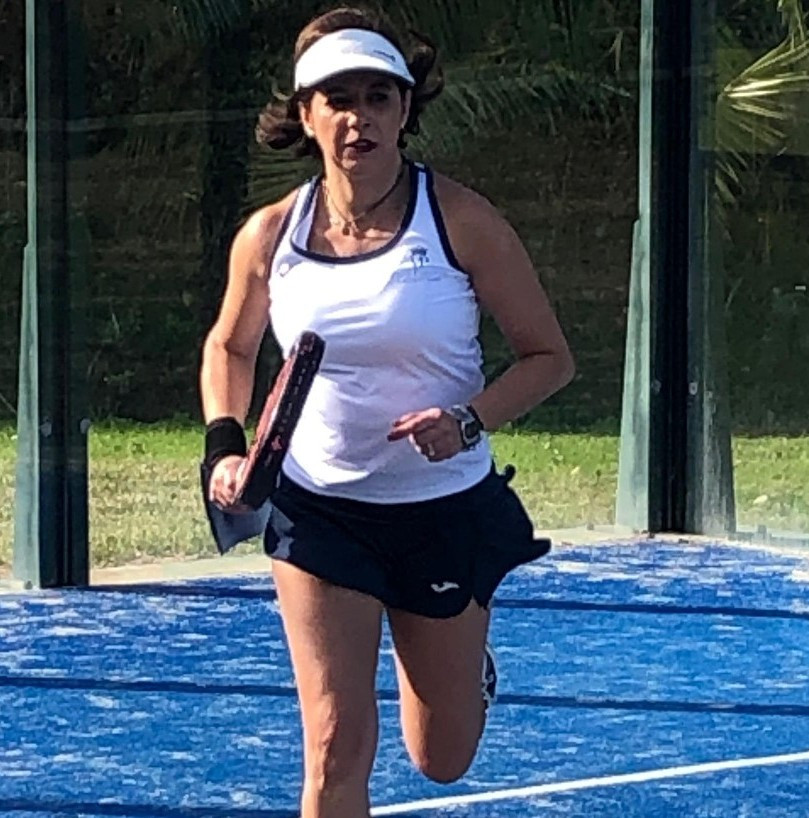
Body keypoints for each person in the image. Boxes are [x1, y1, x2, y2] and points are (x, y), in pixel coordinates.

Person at [199, 6, 575, 817]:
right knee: (334, 746)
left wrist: (466, 421)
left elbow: (549, 357)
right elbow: (229, 346)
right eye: (338, 100)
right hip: (318, 512)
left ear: (404, 110)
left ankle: (461, 669)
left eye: (377, 98)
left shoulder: (462, 220)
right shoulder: (268, 235)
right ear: (306, 116)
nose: (358, 118)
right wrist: (224, 446)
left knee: (441, 757)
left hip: (442, 511)